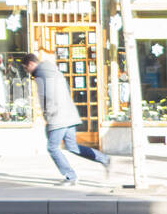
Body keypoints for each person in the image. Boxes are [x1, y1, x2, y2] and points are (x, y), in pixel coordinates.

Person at [24, 52, 111, 186]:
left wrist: (48, 116)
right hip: (68, 114)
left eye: (26, 68)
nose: (27, 71)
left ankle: (71, 177)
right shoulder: (53, 71)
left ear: (31, 64)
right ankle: (104, 159)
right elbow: (66, 90)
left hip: (57, 117)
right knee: (72, 146)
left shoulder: (41, 74)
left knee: (52, 148)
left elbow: (48, 97)